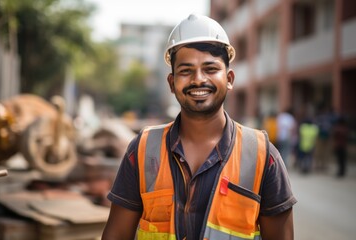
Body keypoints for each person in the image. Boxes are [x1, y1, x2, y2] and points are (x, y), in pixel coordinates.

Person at [102, 14, 297, 240]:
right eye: (185, 71)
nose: (198, 79)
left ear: (230, 79)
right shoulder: (143, 150)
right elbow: (116, 234)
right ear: (172, 83)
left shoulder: (263, 156)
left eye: (211, 68)